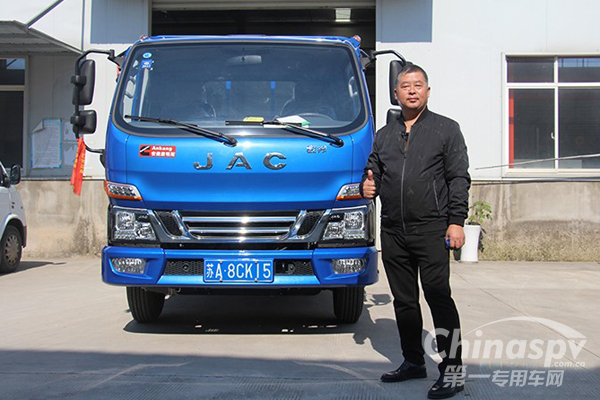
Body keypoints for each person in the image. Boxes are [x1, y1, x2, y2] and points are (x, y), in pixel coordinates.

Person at [360, 64, 470, 399]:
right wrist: (368, 184)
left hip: (432, 227)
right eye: (405, 86)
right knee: (404, 301)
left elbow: (458, 177)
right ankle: (413, 361)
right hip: (394, 229)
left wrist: (456, 221)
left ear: (428, 91)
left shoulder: (446, 129)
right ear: (396, 93)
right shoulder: (384, 134)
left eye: (418, 85)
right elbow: (374, 169)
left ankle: (452, 371)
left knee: (438, 296)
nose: (412, 90)